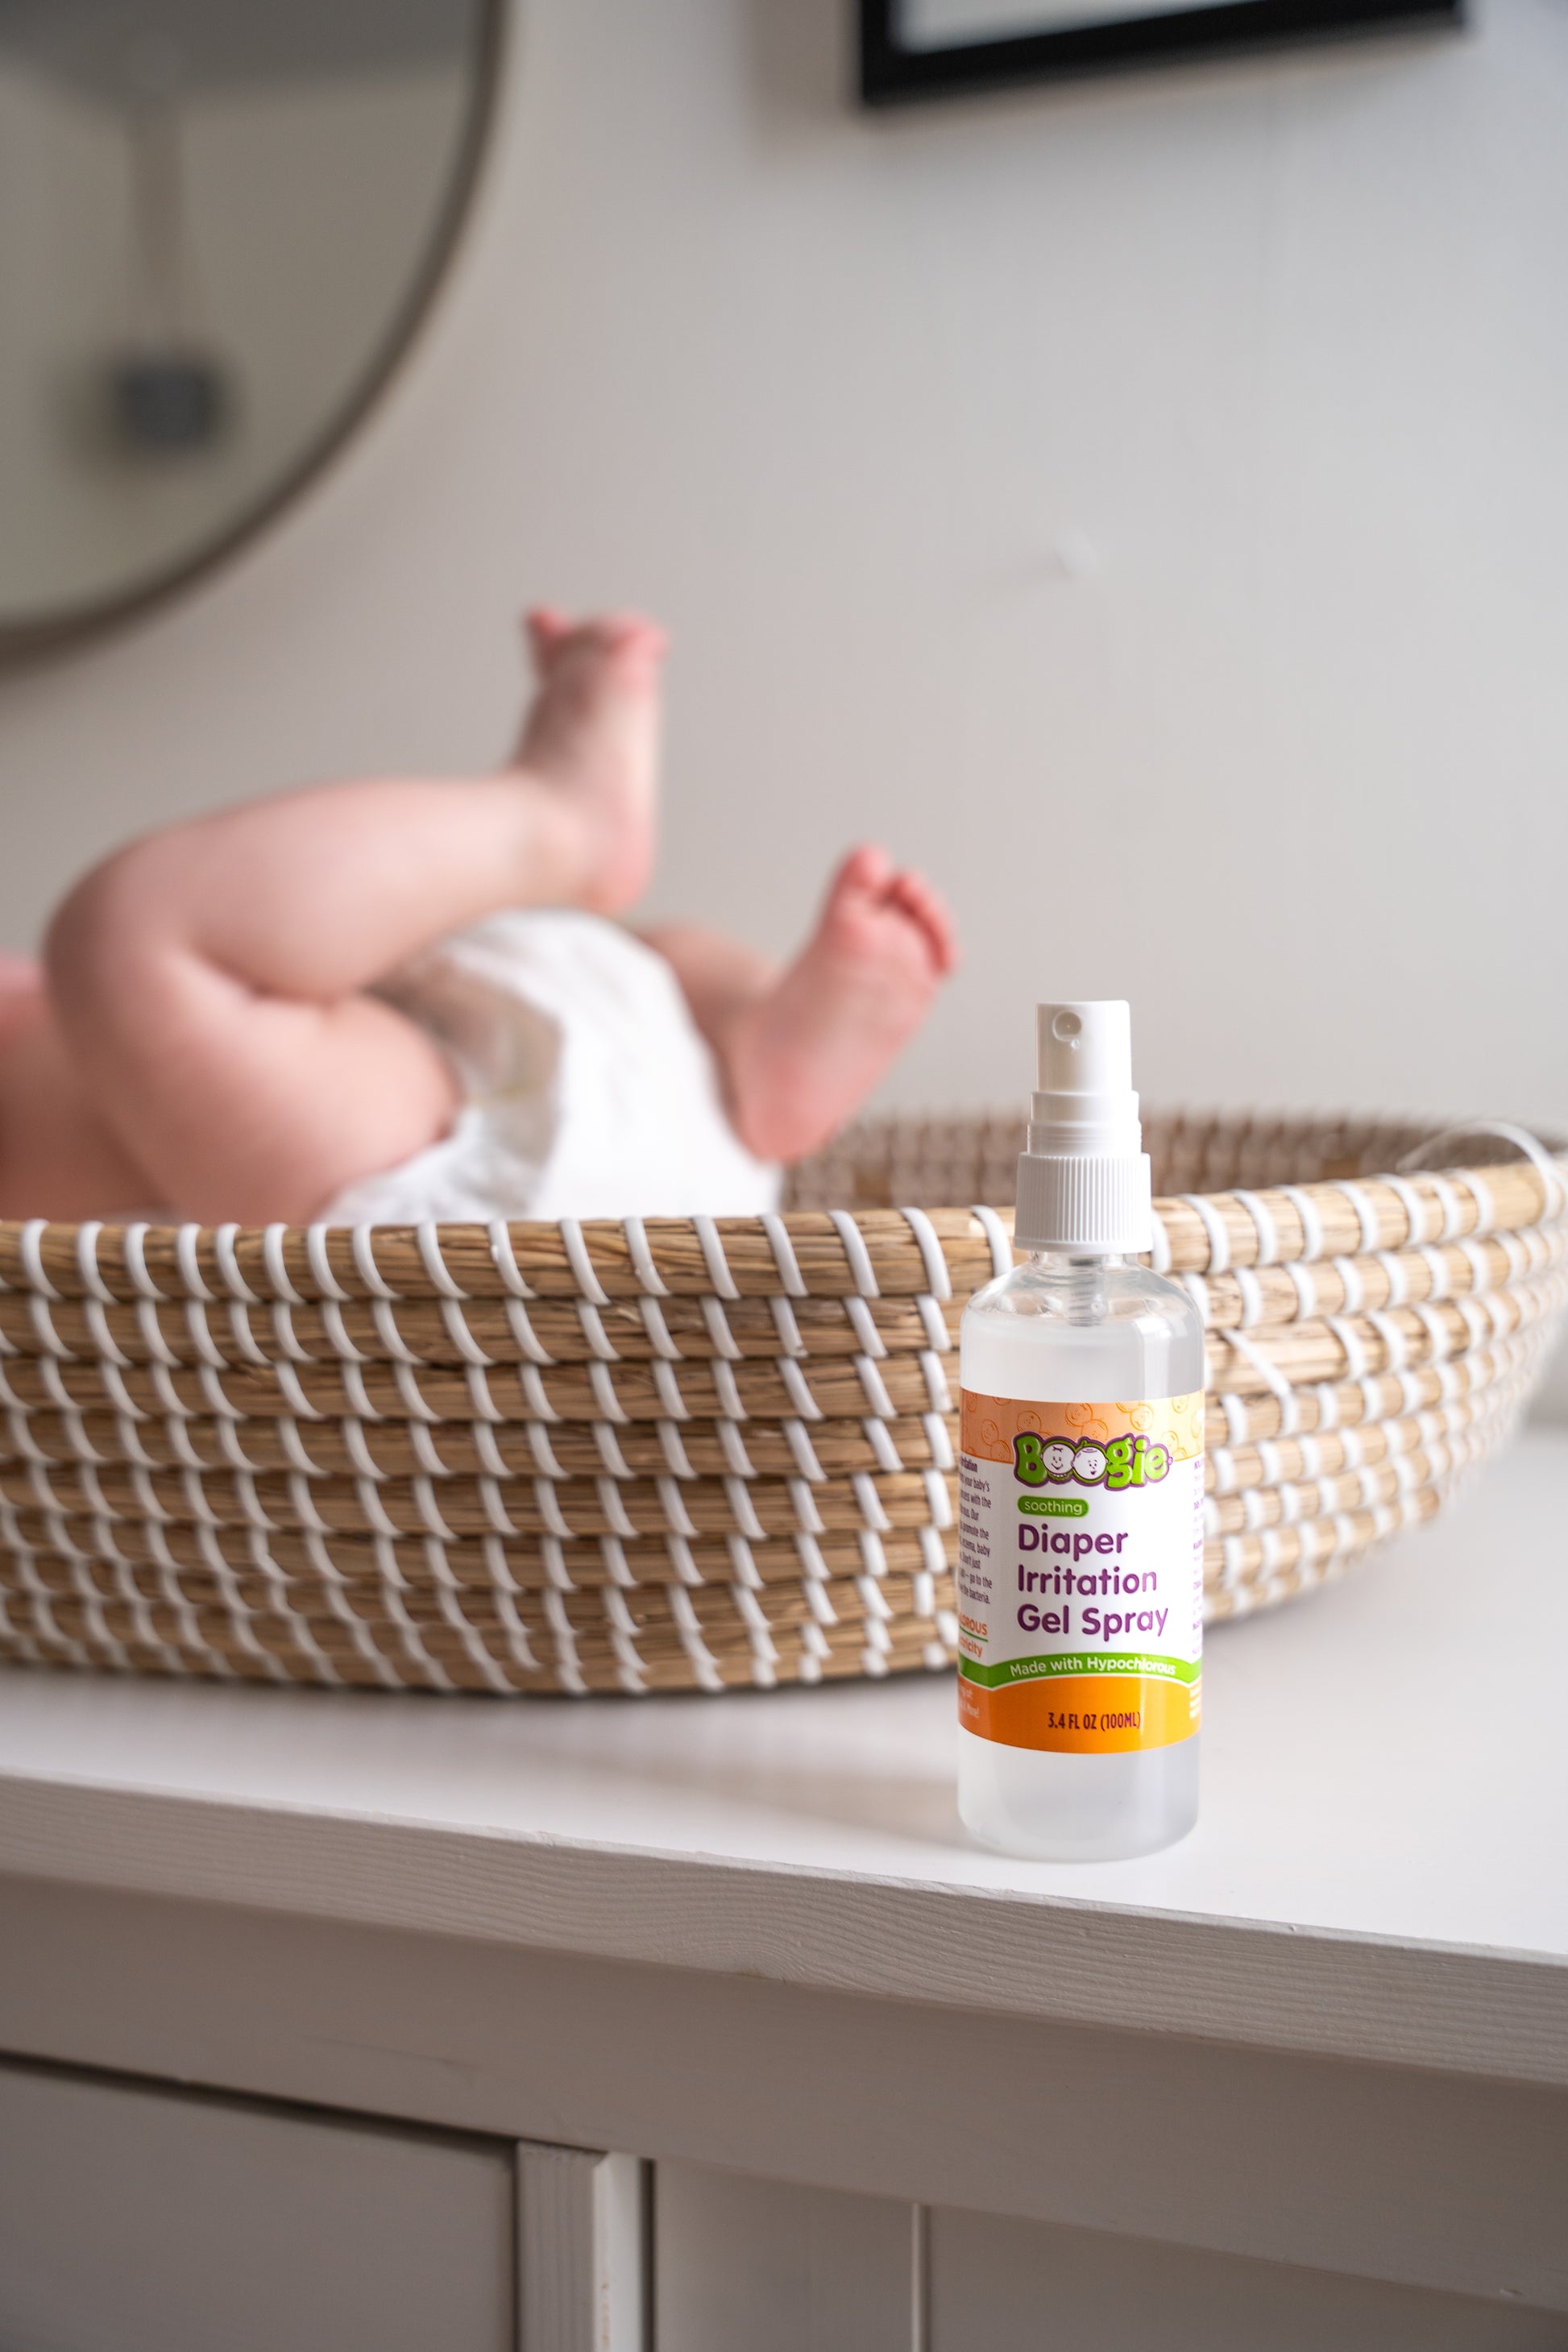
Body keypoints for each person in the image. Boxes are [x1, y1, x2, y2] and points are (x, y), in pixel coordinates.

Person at [0, 611, 957, 1226]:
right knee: (132, 936)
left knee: (656, 959)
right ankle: (550, 822)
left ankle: (759, 1039)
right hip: (432, 1198)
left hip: (642, 1122)